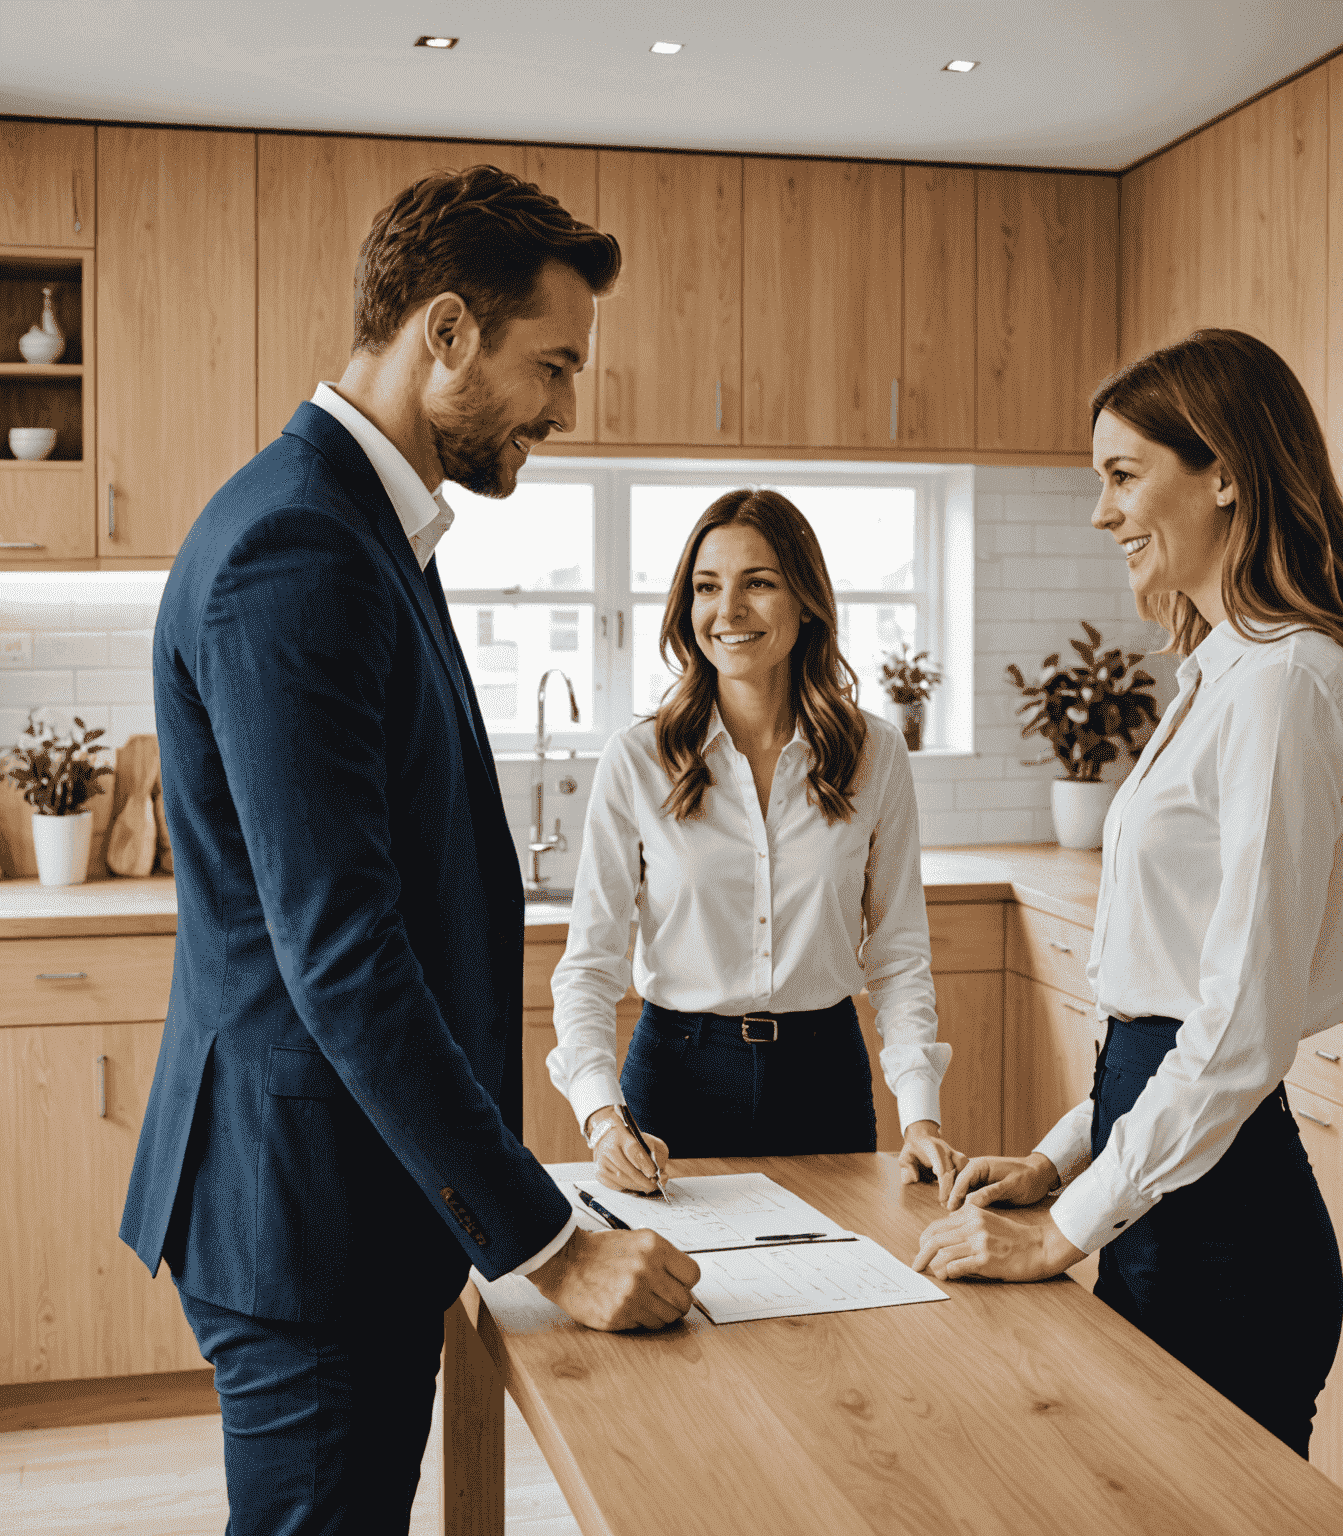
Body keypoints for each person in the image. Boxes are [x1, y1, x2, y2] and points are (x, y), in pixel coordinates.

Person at [120, 166, 700, 1535]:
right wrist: (551, 1242)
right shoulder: (301, 548)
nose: (564, 409)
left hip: (339, 1191)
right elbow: (344, 955)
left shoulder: (362, 524)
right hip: (308, 1208)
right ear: (445, 331)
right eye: (552, 365)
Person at [913, 328, 1343, 1458]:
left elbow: (1233, 1032)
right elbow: (1173, 1013)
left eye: (1123, 474)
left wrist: (1063, 1232)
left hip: (1225, 1240)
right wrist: (1056, 1162)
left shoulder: (1283, 682)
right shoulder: (1227, 670)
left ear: (1224, 472)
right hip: (1174, 1203)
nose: (1102, 513)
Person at [549, 488, 964, 1197]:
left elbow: (897, 954)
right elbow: (589, 967)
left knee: (839, 1294)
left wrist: (919, 1116)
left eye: (759, 583)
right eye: (707, 587)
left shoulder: (875, 754)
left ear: (806, 602)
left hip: (824, 1077)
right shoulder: (638, 758)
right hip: (674, 1080)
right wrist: (600, 1116)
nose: (729, 611)